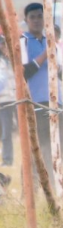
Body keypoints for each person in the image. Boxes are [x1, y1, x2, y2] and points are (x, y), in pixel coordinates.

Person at [20, 3, 63, 184]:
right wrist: (46, 54)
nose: (37, 20)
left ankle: (54, 183)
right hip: (35, 102)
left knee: (56, 146)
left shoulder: (52, 42)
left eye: (40, 16)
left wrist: (56, 60)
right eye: (33, 17)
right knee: (36, 147)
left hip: (56, 101)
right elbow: (24, 72)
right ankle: (31, 186)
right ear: (26, 20)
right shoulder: (22, 41)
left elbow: (61, 74)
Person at [0, 36, 16, 167]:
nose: (3, 47)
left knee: (8, 132)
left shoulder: (12, 60)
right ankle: (7, 159)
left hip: (13, 99)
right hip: (3, 100)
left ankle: (8, 159)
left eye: (4, 44)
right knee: (5, 132)